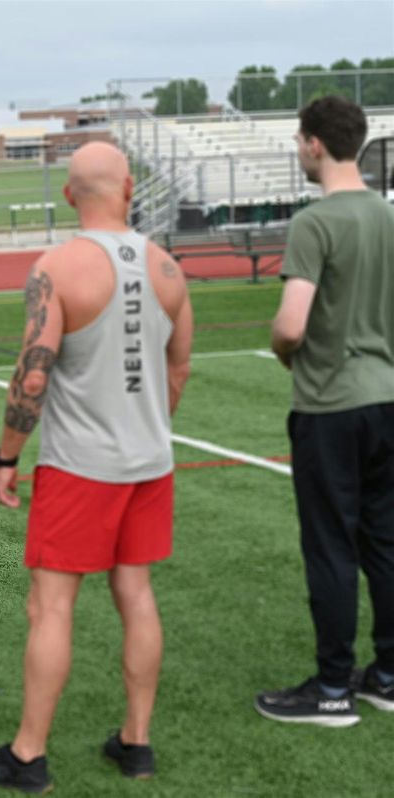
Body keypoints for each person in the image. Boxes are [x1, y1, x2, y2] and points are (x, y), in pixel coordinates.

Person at [0, 142, 193, 792]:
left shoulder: (57, 266)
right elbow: (179, 368)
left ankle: (29, 755)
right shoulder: (168, 268)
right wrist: (150, 425)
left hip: (79, 467)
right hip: (150, 462)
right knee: (136, 594)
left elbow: (31, 374)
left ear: (70, 196)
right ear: (128, 189)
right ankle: (136, 743)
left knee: (52, 607)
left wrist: (6, 456)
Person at [256, 96, 394, 726]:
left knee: (331, 547)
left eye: (298, 140)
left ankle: (334, 687)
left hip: (331, 405)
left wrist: (288, 354)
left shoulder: (316, 221)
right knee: (384, 540)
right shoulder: (386, 216)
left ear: (314, 143)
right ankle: (387, 676)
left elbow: (291, 325)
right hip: (387, 397)